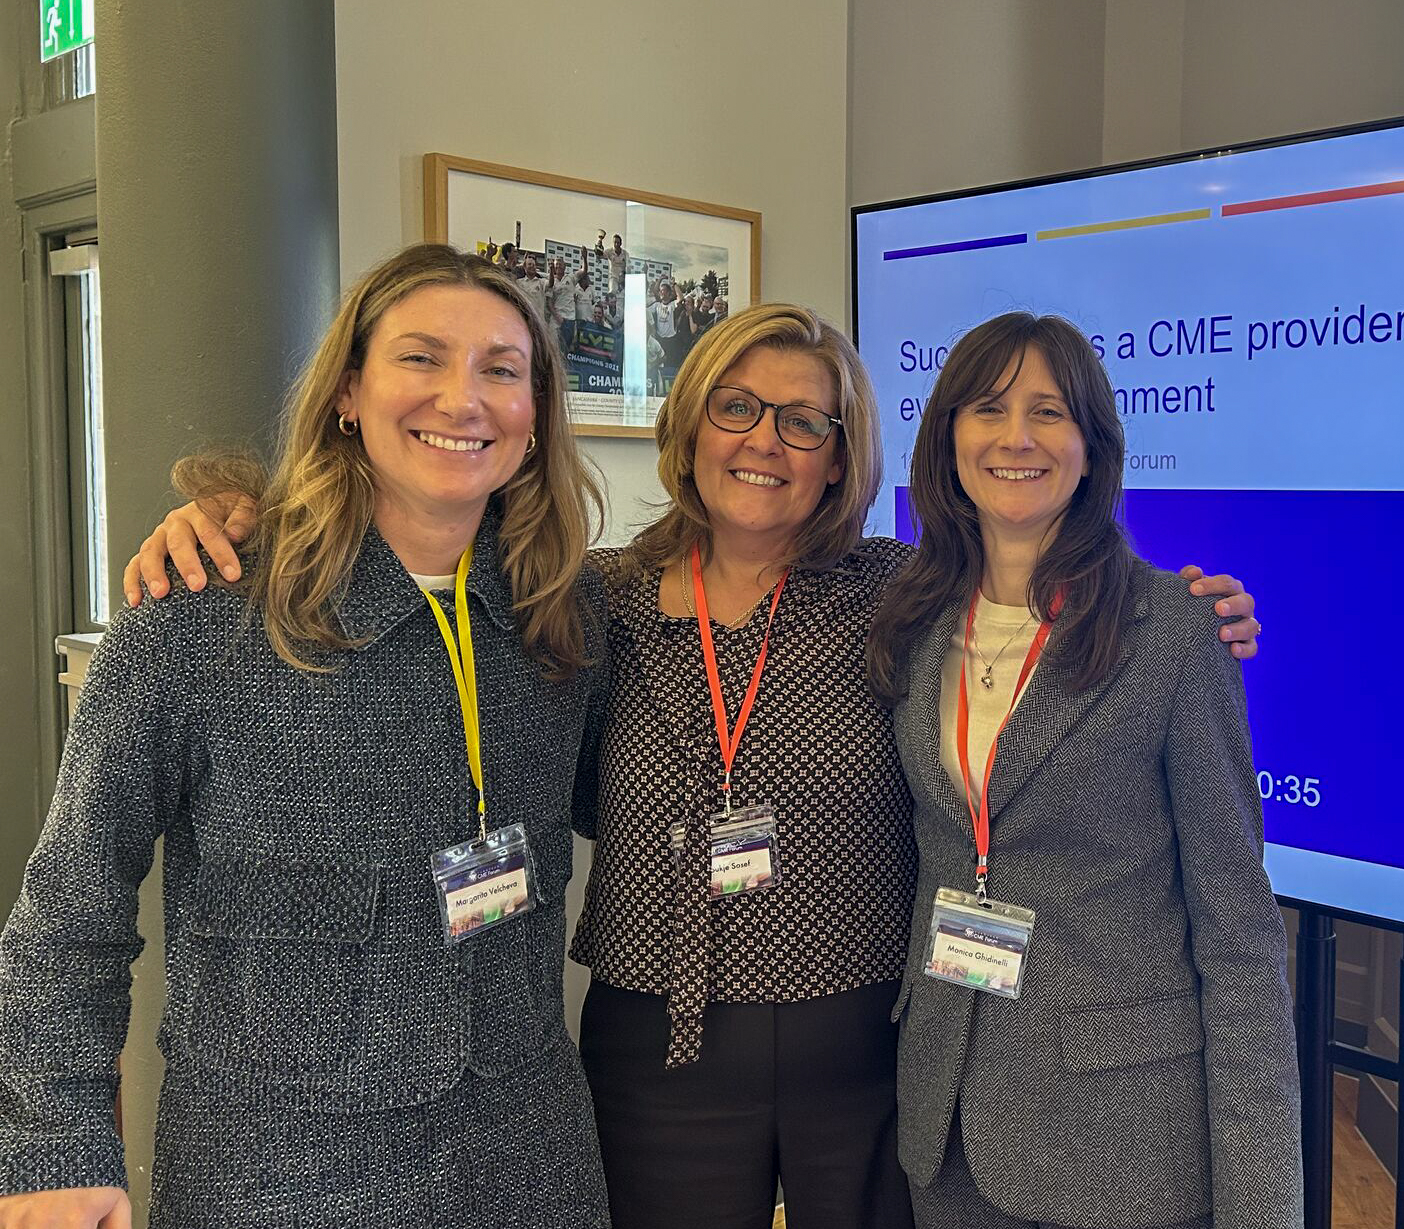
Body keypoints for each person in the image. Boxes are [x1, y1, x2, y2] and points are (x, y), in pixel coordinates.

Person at [124, 303, 1263, 1229]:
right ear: (692, 426)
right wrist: (240, 515)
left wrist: (1180, 606)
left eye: (805, 422)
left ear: (840, 457)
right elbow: (436, 568)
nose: (766, 440)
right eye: (737, 407)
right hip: (657, 1042)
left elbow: (1026, 607)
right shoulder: (589, 600)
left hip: (861, 1041)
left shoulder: (895, 595)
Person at [0, 244, 612, 1228]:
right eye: (421, 357)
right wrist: (52, 1146)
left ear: (534, 413)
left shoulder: (564, 611)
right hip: (276, 1167)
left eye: (501, 369)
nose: (463, 398)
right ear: (348, 393)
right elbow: (72, 902)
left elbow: (621, 792)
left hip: (525, 1152)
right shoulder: (201, 612)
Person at [866, 313, 1301, 1229]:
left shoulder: (1176, 632)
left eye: (1049, 412)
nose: (1016, 437)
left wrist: (1263, 1204)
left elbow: (1239, 934)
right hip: (947, 1122)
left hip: (1122, 1141)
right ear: (948, 437)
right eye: (989, 408)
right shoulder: (911, 620)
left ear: (1092, 445)